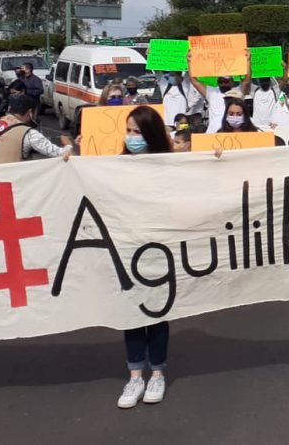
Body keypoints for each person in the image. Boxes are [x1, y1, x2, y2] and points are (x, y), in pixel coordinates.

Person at [116, 104, 175, 408]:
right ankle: (135, 375)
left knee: (157, 313)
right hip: (127, 249)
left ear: (150, 135)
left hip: (159, 250)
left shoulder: (169, 167)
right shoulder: (114, 167)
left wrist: (214, 161)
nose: (131, 137)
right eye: (127, 131)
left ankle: (158, 373)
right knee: (133, 313)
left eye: (137, 132)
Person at [0, 96, 72, 166]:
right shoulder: (28, 133)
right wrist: (68, 144)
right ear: (30, 112)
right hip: (5, 182)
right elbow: (58, 153)